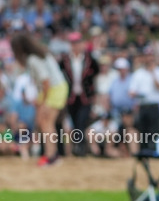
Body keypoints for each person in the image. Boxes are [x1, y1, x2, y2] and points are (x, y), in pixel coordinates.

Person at [11, 32, 69, 166]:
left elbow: (46, 81)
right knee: (45, 122)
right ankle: (52, 155)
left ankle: (51, 156)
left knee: (46, 122)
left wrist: (42, 101)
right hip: (56, 88)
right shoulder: (40, 54)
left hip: (54, 89)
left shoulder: (33, 59)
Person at [59, 33, 99, 157]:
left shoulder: (89, 59)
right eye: (73, 44)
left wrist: (93, 92)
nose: (75, 46)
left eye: (77, 43)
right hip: (71, 97)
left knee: (81, 121)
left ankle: (80, 147)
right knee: (75, 121)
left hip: (85, 97)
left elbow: (95, 73)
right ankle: (79, 146)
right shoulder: (65, 60)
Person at [129, 48, 159, 153]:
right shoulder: (138, 73)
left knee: (154, 130)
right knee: (143, 130)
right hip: (143, 105)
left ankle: (154, 151)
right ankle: (144, 152)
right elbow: (132, 91)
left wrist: (153, 74)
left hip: (155, 105)